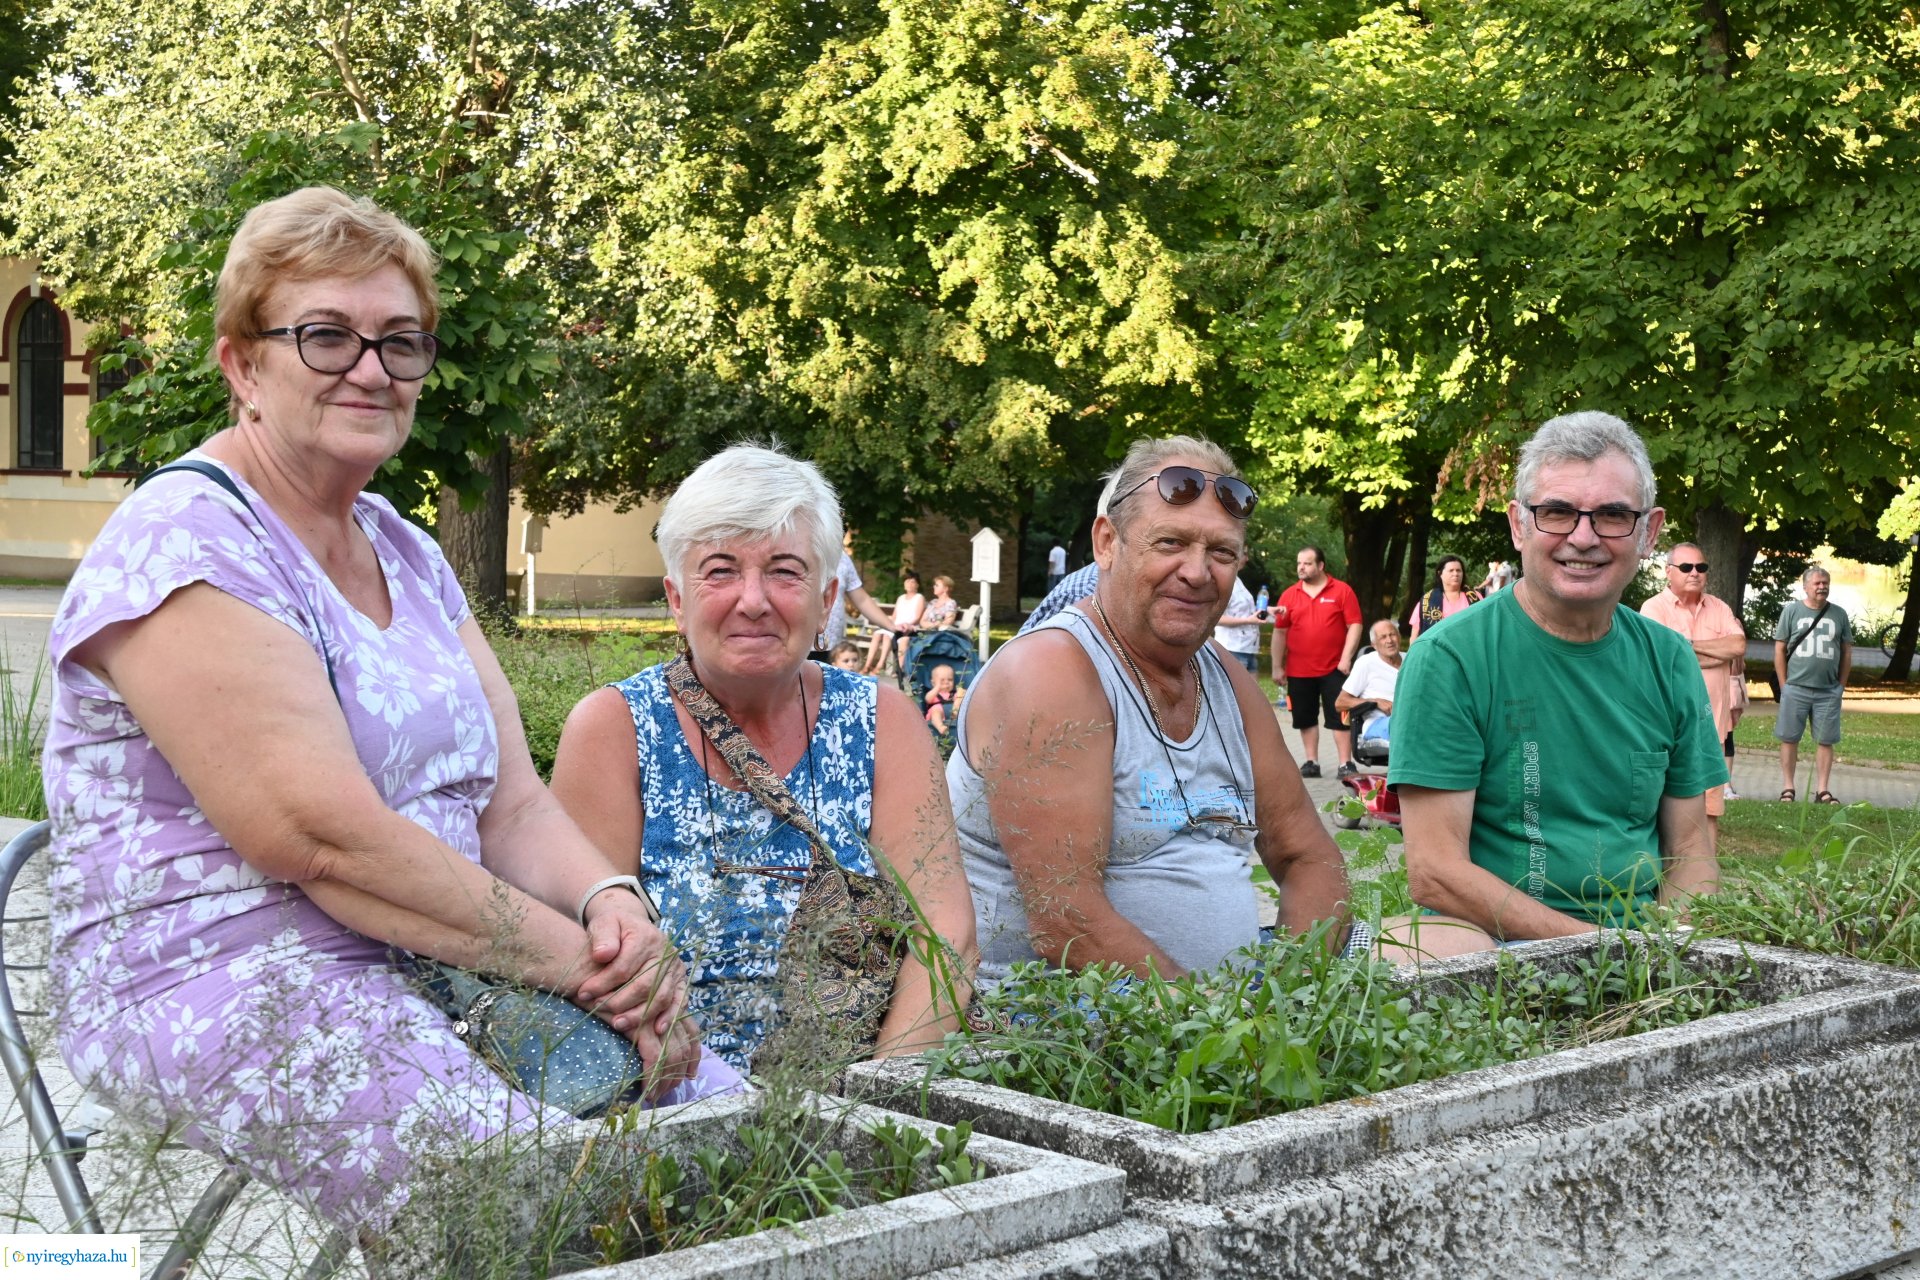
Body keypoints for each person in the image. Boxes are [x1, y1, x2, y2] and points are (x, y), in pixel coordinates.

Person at [38, 187, 733, 1237]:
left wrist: (611, 905)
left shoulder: (401, 545)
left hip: (440, 959)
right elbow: (324, 840)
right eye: (326, 336)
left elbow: (513, 806)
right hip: (234, 980)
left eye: (399, 342)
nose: (370, 367)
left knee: (737, 1129)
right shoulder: (186, 542)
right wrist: (585, 972)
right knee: (558, 1201)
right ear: (242, 363)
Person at [550, 444, 976, 1071]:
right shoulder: (614, 728)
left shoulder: (885, 722)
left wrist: (878, 1113)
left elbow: (946, 937)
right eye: (719, 571)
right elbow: (589, 956)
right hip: (673, 1094)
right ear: (676, 598)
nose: (753, 599)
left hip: (859, 1089)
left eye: (784, 571)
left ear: (828, 598)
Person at [949, 435, 1355, 988]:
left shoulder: (1226, 682)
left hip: (1221, 1021)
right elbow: (1067, 923)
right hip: (1054, 1033)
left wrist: (1286, 1001)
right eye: (1170, 543)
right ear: (1107, 542)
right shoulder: (1051, 672)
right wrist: (1224, 1035)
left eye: (1222, 553)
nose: (1197, 571)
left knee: (1447, 943)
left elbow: (1312, 859)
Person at [1382, 412, 1724, 959]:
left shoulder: (1670, 660)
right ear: (1519, 524)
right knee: (1410, 947)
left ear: (1649, 531)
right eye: (1557, 512)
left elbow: (1689, 848)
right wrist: (1606, 952)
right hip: (1491, 942)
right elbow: (1436, 873)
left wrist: (1672, 946)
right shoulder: (1450, 658)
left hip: (1641, 944)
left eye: (1613, 514)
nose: (1582, 538)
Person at [1640, 544, 1747, 843]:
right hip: (1668, 728)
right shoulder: (1653, 609)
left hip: (1712, 728)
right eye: (1686, 568)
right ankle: (1666, 874)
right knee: (1666, 804)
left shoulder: (1719, 607)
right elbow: (1662, 657)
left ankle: (1705, 880)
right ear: (1669, 572)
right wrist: (1715, 653)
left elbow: (1737, 647)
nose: (1695, 573)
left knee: (1711, 808)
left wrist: (1687, 645)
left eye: (1701, 568)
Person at [1272, 545, 1363, 778]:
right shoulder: (1289, 595)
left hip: (1335, 667)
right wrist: (1276, 666)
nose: (1301, 567)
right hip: (1299, 670)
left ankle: (1345, 763)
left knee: (1340, 715)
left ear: (1320, 566)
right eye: (1299, 563)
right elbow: (1280, 632)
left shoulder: (1341, 591)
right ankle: (1311, 761)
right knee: (1304, 716)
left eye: (1307, 563)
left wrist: (1346, 657)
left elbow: (1355, 624)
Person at [1773, 565, 1853, 805]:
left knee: (1826, 740)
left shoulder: (1839, 614)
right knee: (1789, 738)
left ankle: (1822, 790)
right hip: (1795, 688)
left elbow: (1847, 652)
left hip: (1828, 691)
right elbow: (1779, 648)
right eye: (1817, 583)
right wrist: (1783, 685)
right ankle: (1788, 788)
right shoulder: (1792, 611)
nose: (1822, 587)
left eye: (1825, 582)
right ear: (1805, 586)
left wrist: (1841, 686)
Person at [821, 533, 898, 657]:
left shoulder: (841, 558)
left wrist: (892, 627)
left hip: (832, 646)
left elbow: (861, 600)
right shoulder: (796, 551)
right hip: (798, 646)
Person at [1335, 619, 1404, 748]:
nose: (1389, 640)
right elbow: (1340, 703)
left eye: (1392, 634)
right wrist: (1376, 702)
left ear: (1399, 637)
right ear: (1374, 644)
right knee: (1406, 725)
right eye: (1383, 637)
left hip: (1411, 718)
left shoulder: (1410, 659)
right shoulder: (1366, 663)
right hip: (1379, 723)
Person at [863, 570, 925, 676]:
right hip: (896, 626)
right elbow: (894, 616)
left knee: (888, 636)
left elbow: (918, 617)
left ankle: (879, 665)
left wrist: (906, 624)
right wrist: (887, 623)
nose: (909, 584)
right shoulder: (900, 598)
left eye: (912, 582)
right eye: (907, 581)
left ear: (917, 585)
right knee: (877, 634)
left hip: (909, 627)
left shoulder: (919, 597)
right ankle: (867, 666)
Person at [1408, 554, 1482, 642]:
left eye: (1458, 570)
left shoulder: (1475, 597)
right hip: (1437, 651)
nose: (1455, 574)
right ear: (1440, 574)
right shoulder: (1427, 601)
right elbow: (1414, 636)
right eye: (1451, 570)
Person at [1213, 574, 1263, 674]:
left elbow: (1243, 611)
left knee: (1251, 689)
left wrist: (1268, 610)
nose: (1247, 559)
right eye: (1246, 556)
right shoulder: (1223, 582)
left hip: (1249, 649)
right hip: (1232, 649)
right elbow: (1215, 618)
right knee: (1233, 689)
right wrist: (1248, 621)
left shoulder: (1237, 580)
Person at [924, 664, 959, 734]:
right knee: (935, 711)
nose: (946, 682)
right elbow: (927, 699)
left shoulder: (954, 694)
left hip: (953, 714)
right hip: (938, 712)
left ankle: (958, 721)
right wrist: (937, 688)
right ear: (933, 683)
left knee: (959, 704)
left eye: (950, 680)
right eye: (942, 680)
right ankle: (940, 727)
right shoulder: (934, 694)